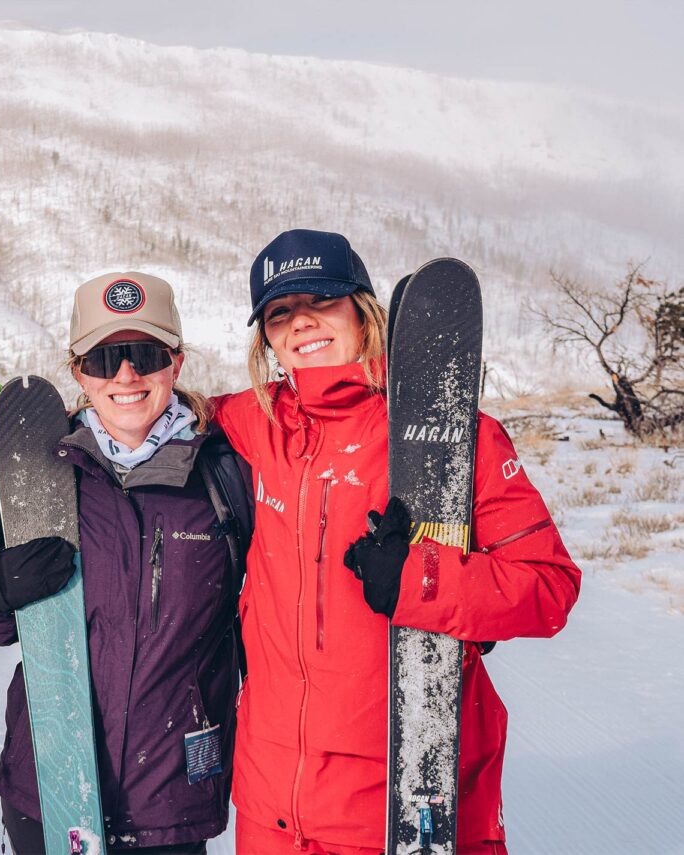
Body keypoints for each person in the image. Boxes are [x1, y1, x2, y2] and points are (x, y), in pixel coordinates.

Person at [212, 229, 582, 855]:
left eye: (321, 301)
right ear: (267, 340)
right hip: (270, 805)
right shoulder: (253, 423)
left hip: (399, 804)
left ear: (364, 310)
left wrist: (423, 580)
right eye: (280, 312)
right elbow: (153, 415)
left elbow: (550, 587)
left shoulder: (447, 434)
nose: (301, 322)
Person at [0, 272, 253, 854]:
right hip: (49, 785)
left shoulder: (224, 475)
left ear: (175, 363)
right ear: (78, 371)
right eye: (104, 359)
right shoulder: (40, 471)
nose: (125, 375)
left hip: (171, 796)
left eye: (144, 354)